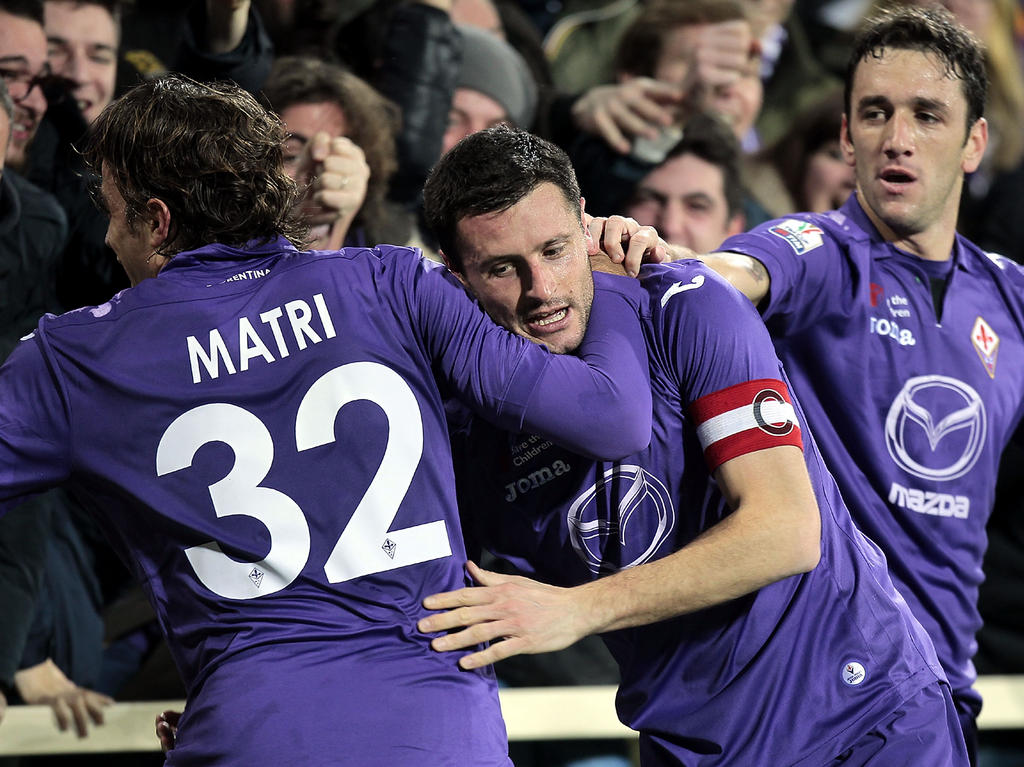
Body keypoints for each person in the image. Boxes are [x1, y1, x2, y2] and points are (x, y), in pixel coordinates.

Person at [0, 75, 653, 765]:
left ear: (157, 220)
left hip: (254, 729)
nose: (106, 237)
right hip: (439, 733)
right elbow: (611, 416)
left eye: (110, 211)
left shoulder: (75, 361)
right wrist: (604, 274)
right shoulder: (392, 282)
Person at [418, 124, 968, 765]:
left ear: (588, 228)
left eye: (555, 250)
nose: (541, 289)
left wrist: (577, 611)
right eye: (502, 269)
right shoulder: (464, 422)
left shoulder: (687, 307)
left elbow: (785, 531)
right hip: (693, 745)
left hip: (858, 719)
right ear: (456, 277)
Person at [656, 7, 1017, 763]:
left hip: (943, 693)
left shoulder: (1011, 300)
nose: (898, 137)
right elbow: (733, 276)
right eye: (875, 113)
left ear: (975, 142)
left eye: (927, 115)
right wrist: (662, 265)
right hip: (827, 699)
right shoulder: (820, 252)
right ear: (847, 136)